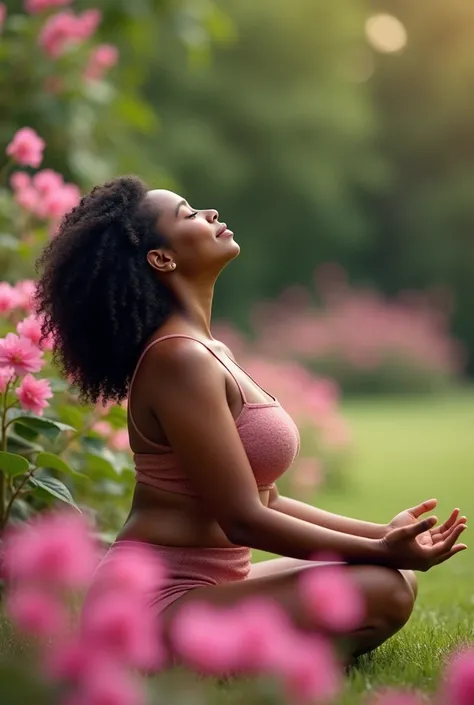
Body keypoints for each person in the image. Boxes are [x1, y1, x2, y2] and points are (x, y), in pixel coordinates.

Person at [35, 176, 467, 663]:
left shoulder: (206, 351)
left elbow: (269, 499)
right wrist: (383, 553)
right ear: (162, 258)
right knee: (381, 587)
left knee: (392, 578)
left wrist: (380, 537)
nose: (210, 214)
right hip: (148, 608)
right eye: (188, 214)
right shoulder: (179, 361)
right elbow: (243, 520)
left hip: (207, 589)